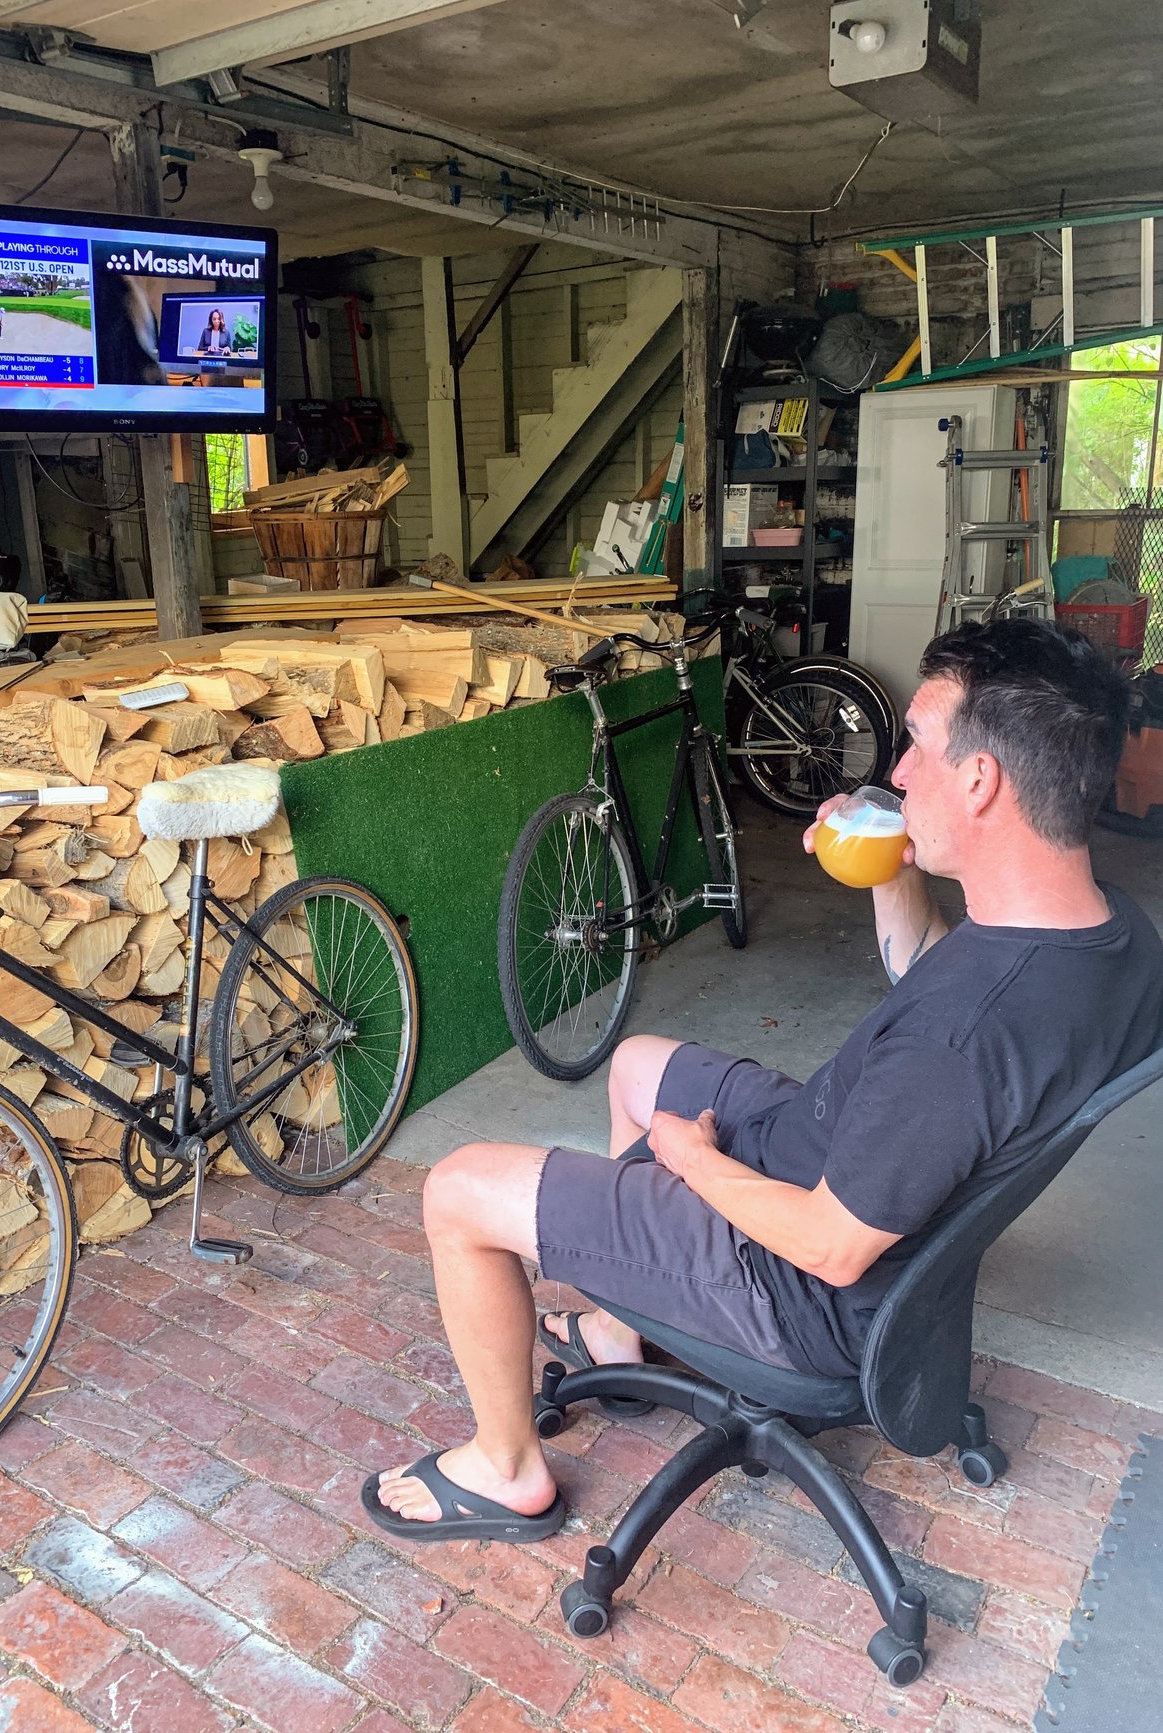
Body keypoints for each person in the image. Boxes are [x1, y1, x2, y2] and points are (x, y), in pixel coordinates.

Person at [362, 617, 1163, 1541]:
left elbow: (830, 1245)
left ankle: (504, 1468)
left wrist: (692, 1162)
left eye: (916, 746)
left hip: (797, 1284)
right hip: (843, 1148)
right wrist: (889, 870)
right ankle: (624, 1327)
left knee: (458, 1190)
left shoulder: (961, 1043)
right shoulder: (1106, 934)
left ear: (981, 781)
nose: (896, 772)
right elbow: (933, 972)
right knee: (635, 1066)